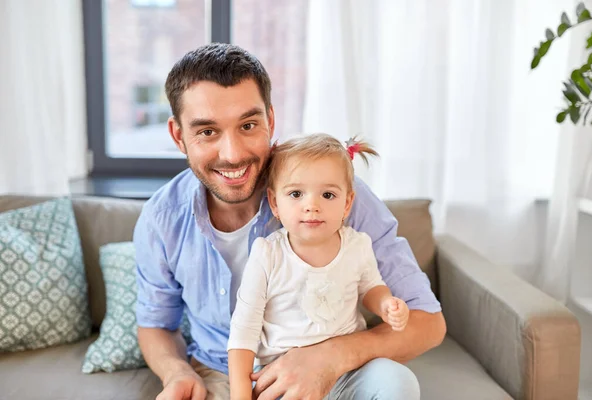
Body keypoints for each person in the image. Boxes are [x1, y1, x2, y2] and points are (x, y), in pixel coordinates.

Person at [134, 43, 446, 400]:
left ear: (271, 120)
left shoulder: (332, 194)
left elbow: (428, 324)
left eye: (248, 125)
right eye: (207, 132)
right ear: (178, 136)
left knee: (395, 383)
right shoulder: (161, 220)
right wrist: (176, 373)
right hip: (223, 372)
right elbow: (156, 324)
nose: (233, 154)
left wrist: (330, 357)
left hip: (339, 370)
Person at [227, 134, 413, 400]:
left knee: (399, 381)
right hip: (282, 373)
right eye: (296, 194)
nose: (312, 206)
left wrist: (385, 304)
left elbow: (371, 287)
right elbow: (244, 330)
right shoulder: (267, 254)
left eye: (327, 194)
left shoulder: (357, 245)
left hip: (349, 371)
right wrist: (241, 395)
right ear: (275, 203)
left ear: (347, 203)